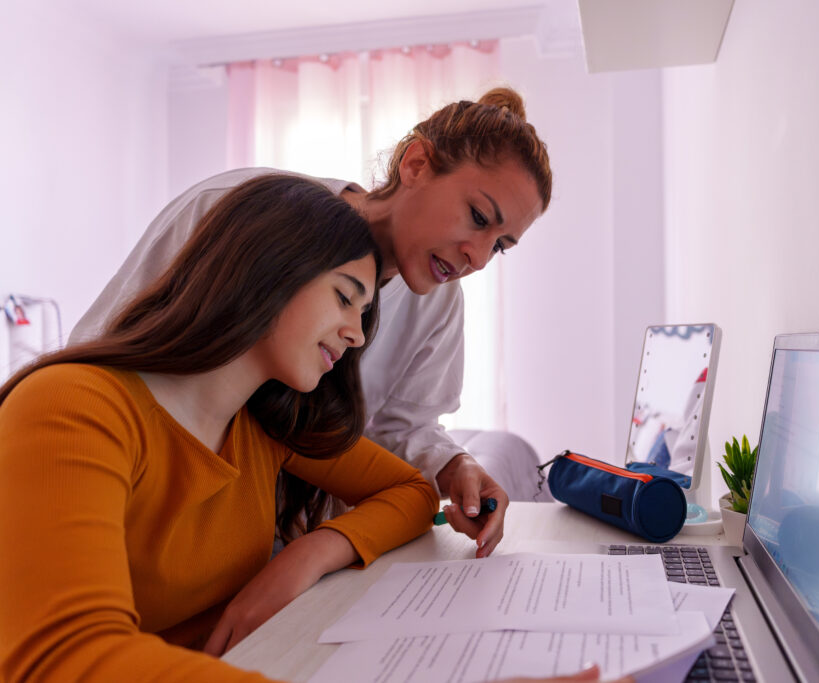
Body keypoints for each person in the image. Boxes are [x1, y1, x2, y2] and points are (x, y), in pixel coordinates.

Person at [70, 87, 554, 558]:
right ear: (416, 164)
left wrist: (453, 463)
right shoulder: (238, 212)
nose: (479, 257)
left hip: (281, 536)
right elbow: (111, 353)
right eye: (476, 216)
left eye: (500, 245)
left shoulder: (438, 301)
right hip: (146, 512)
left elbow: (402, 429)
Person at [0, 175, 441, 679]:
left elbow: (411, 491)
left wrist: (305, 556)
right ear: (267, 270)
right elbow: (65, 658)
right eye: (344, 297)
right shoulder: (72, 407)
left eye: (364, 313)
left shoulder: (265, 425)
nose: (357, 335)